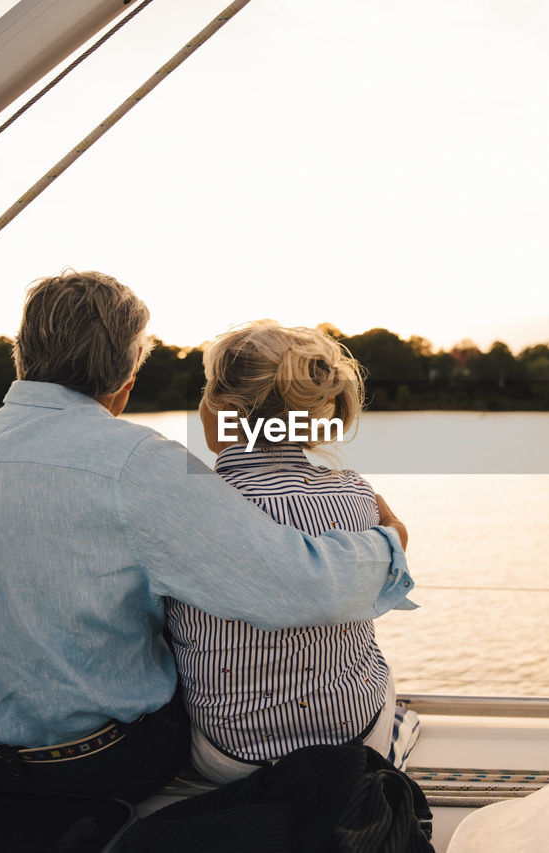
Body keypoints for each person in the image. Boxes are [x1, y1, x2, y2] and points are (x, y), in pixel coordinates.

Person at [0, 271, 414, 802]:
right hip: (95, 764)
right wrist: (390, 543)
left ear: (24, 354)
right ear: (126, 377)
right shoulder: (136, 461)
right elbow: (296, 584)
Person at [173, 320, 418, 784]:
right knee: (375, 668)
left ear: (224, 407)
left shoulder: (187, 504)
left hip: (231, 758)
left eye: (207, 392)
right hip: (352, 741)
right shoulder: (356, 495)